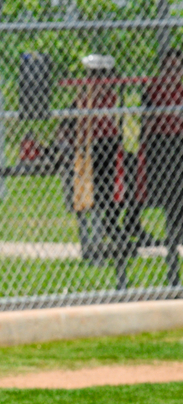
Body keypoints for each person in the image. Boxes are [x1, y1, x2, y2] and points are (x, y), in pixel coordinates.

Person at [72, 54, 127, 263]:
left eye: (103, 75)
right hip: (89, 149)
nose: (100, 80)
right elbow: (80, 127)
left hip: (107, 146)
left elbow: (113, 122)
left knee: (103, 197)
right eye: (95, 75)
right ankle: (88, 246)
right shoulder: (84, 97)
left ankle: (99, 244)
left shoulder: (110, 96)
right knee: (84, 198)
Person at [139, 48, 183, 285]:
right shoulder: (153, 90)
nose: (172, 74)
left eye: (177, 69)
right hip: (161, 148)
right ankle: (173, 268)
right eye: (168, 68)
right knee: (171, 207)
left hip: (180, 146)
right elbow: (146, 124)